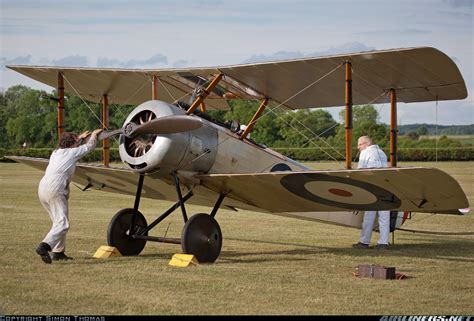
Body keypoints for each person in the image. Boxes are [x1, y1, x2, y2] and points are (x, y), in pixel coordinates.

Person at [35, 128, 103, 264]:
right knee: (63, 224)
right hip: (56, 189)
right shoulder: (71, 153)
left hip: (43, 188)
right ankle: (44, 246)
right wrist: (94, 135)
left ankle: (58, 252)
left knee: (57, 222)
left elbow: (71, 146)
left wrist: (79, 137)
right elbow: (89, 147)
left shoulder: (56, 153)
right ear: (72, 144)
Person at [352, 135, 390, 250]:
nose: (358, 147)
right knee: (384, 217)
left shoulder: (365, 153)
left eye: (360, 144)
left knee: (369, 216)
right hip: (386, 187)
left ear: (367, 143)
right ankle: (383, 242)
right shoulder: (382, 153)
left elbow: (360, 172)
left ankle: (364, 241)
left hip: (372, 188)